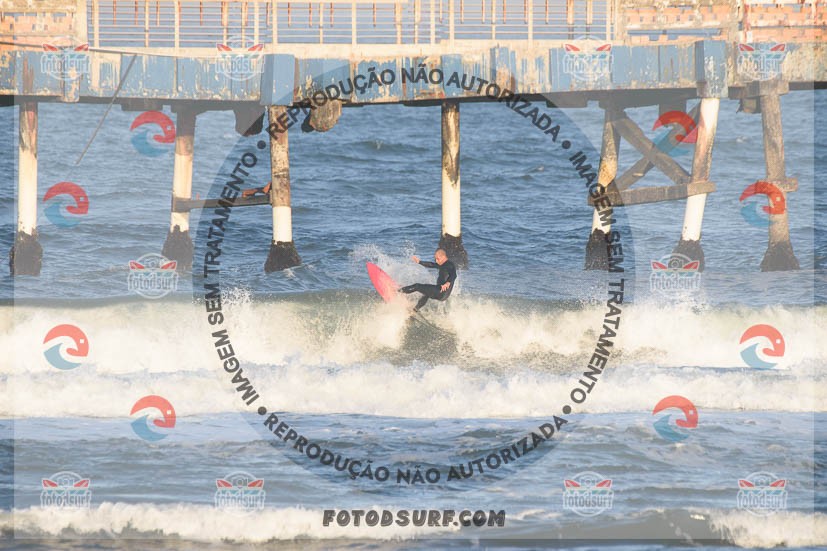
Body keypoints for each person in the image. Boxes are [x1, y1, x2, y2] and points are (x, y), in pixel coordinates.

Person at [401, 249, 457, 313]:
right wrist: (419, 262)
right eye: (435, 259)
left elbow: (454, 275)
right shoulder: (443, 264)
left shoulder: (449, 265)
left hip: (440, 291)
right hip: (444, 295)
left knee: (417, 286)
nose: (436, 261)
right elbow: (431, 264)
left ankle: (398, 291)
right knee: (427, 293)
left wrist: (448, 282)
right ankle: (415, 309)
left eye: (437, 259)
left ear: (443, 257)